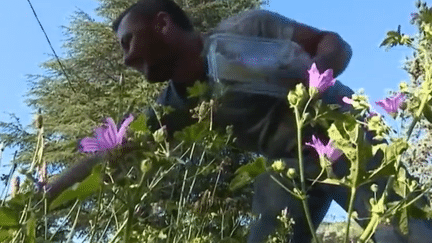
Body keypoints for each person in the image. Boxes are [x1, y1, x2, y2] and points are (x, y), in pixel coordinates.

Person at [111, 0, 432, 242]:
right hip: (285, 165)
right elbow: (115, 149)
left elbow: (335, 44)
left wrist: (311, 83)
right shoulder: (176, 104)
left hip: (337, 133)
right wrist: (59, 187)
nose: (126, 59)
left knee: (403, 229)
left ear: (162, 24)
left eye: (128, 42)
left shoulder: (248, 28)